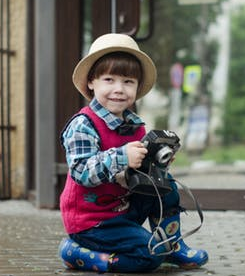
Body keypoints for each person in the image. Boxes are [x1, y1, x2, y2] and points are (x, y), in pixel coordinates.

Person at [57, 33, 208, 273]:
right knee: (149, 257)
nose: (119, 89)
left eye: (128, 81)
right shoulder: (84, 124)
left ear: (137, 88)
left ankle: (171, 243)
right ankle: (78, 253)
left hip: (123, 211)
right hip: (92, 222)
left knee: (164, 183)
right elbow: (81, 172)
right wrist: (121, 156)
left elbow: (138, 175)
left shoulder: (136, 126)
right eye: (109, 79)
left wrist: (157, 163)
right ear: (91, 82)